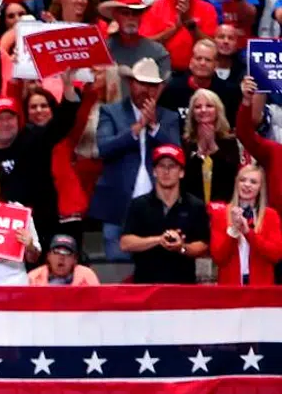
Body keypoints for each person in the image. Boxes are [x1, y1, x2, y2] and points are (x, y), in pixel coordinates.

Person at [89, 59, 183, 261]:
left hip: (157, 207)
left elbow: (176, 153)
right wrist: (137, 128)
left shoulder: (169, 117)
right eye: (142, 83)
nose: (146, 90)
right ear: (131, 83)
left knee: (156, 265)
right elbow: (104, 148)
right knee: (118, 268)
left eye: (152, 85)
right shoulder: (110, 112)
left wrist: (155, 127)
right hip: (118, 206)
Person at [120, 145, 210, 284]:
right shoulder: (139, 204)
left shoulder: (195, 205)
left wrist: (182, 247)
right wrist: (159, 240)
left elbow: (203, 246)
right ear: (154, 171)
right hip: (146, 285)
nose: (166, 171)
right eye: (161, 166)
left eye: (172, 166)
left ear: (181, 172)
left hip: (183, 286)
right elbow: (125, 243)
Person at [209, 163, 282, 287]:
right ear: (236, 183)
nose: (247, 185)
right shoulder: (221, 214)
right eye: (242, 180)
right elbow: (218, 258)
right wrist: (233, 231)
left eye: (253, 182)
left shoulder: (270, 216)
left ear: (261, 187)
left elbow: (276, 255)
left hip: (261, 287)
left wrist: (249, 233)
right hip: (230, 287)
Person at [28, 234, 100, 286]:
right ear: (48, 256)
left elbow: (97, 300)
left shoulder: (87, 275)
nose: (61, 257)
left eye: (67, 253)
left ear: (75, 259)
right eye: (57, 252)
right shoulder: (34, 277)